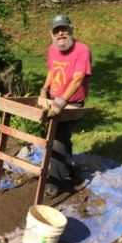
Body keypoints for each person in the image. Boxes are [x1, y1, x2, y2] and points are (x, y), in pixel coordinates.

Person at [39, 15, 92, 198]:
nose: (60, 33)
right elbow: (52, 70)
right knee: (61, 137)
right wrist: (44, 89)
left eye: (63, 29)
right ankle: (68, 167)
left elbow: (78, 79)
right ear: (51, 33)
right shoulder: (52, 50)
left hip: (71, 103)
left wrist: (60, 103)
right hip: (53, 100)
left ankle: (54, 182)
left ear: (71, 28)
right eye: (56, 30)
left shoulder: (82, 50)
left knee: (57, 141)